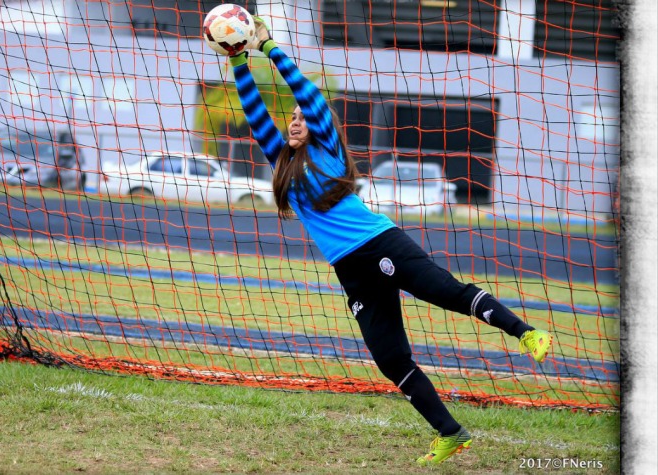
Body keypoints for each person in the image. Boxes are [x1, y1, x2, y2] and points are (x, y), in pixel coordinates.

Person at [227, 19, 552, 466]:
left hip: (380, 244)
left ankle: (527, 333)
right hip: (350, 269)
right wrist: (238, 61)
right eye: (293, 118)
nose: (296, 120)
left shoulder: (328, 150)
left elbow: (312, 97)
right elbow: (255, 112)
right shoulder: (281, 160)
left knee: (447, 293)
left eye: (303, 117)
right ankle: (450, 432)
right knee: (389, 357)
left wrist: (268, 47)